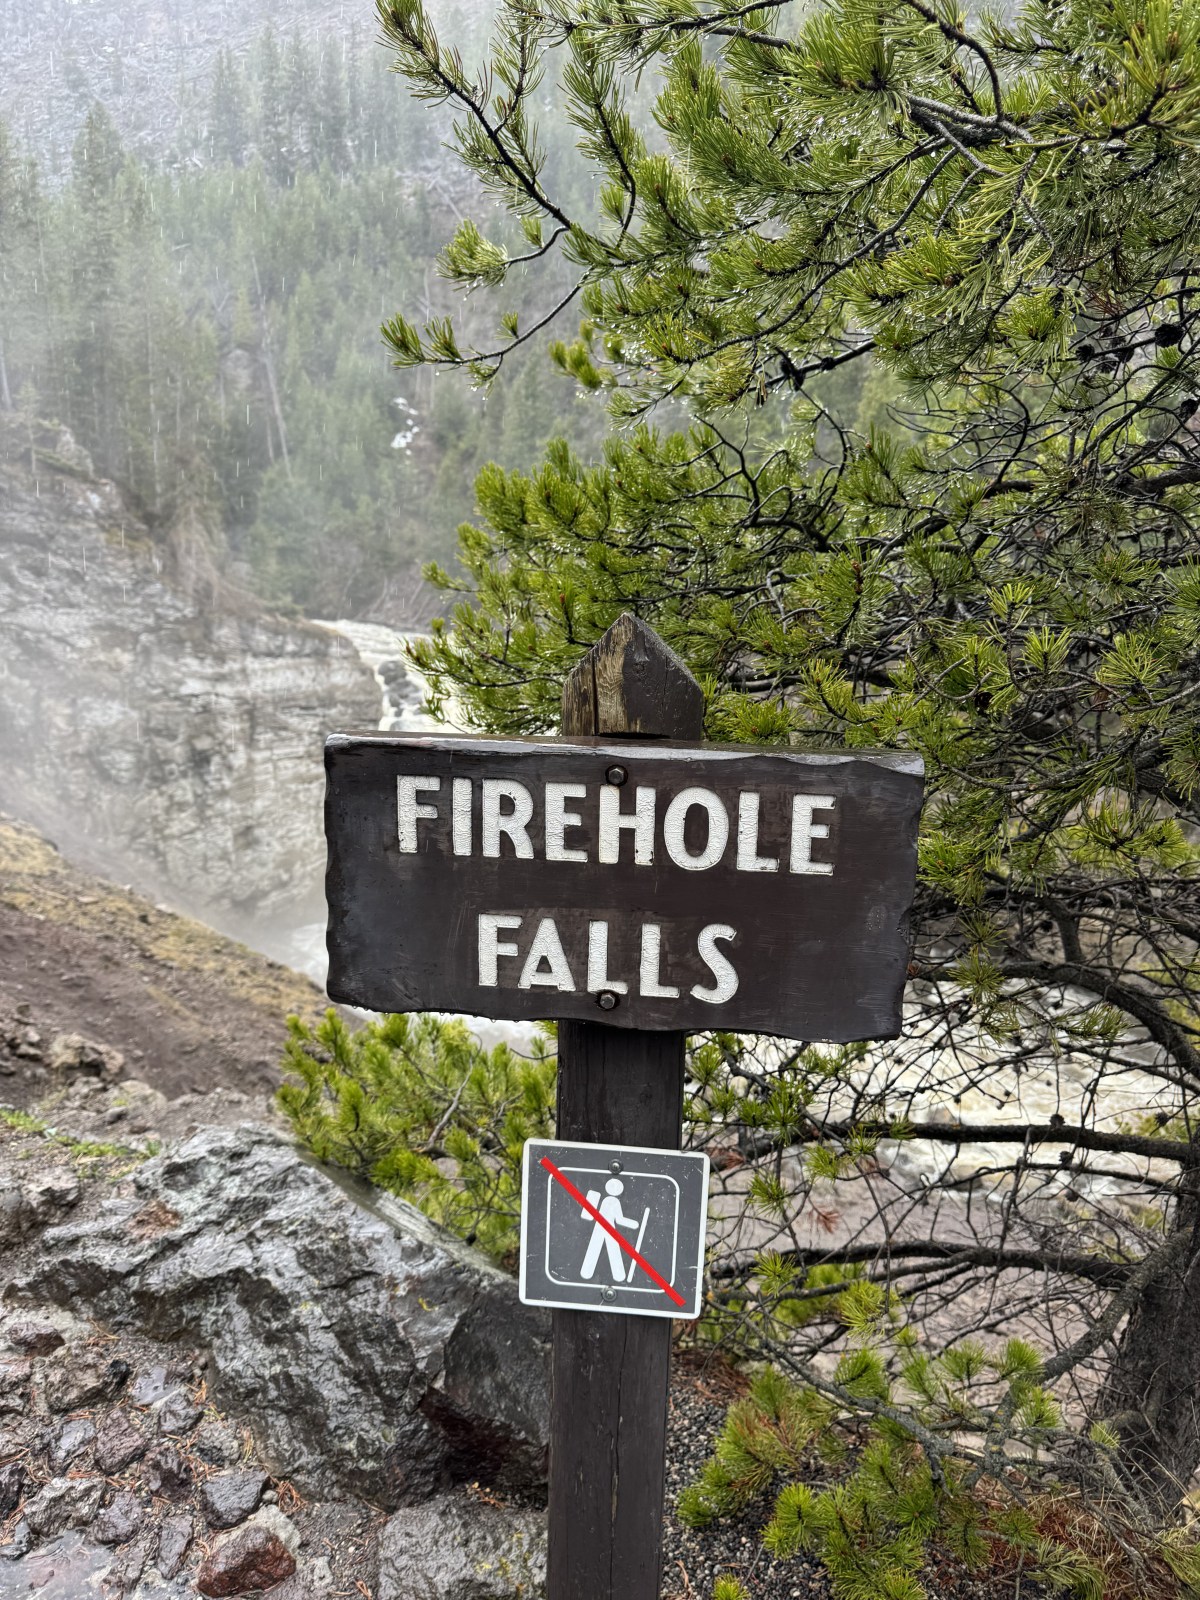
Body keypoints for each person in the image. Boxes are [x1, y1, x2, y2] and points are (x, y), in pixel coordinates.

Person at [580, 1178, 640, 1281]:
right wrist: (634, 1224)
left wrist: (634, 1224)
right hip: (605, 1229)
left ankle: (587, 1273)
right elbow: (619, 1220)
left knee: (598, 1249)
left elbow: (588, 1214)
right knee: (610, 1250)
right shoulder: (611, 1200)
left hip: (602, 1228)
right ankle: (618, 1276)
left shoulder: (604, 1198)